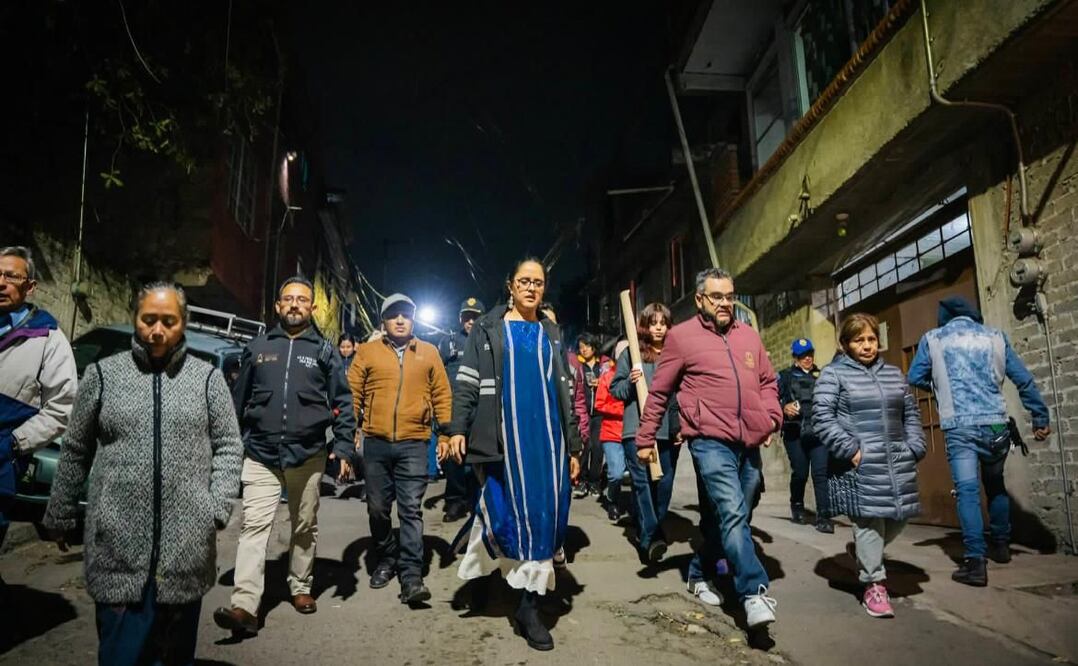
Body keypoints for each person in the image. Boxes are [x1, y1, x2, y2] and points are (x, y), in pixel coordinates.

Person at [44, 282, 242, 665]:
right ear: (135, 318)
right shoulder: (104, 376)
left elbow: (229, 446)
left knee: (172, 656)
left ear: (183, 323)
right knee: (121, 655)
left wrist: (215, 507)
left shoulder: (207, 380)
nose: (157, 330)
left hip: (186, 549)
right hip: (117, 542)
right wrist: (61, 512)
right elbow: (76, 448)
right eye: (148, 319)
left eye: (168, 321)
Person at [446, 257, 583, 651]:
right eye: (524, 281)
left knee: (544, 517)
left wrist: (573, 445)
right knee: (500, 509)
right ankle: (486, 579)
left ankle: (528, 606)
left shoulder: (552, 331)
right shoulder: (489, 329)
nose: (531, 288)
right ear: (510, 285)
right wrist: (457, 428)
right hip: (503, 438)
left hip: (547, 441)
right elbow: (468, 382)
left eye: (538, 283)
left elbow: (566, 394)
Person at [637, 268, 782, 629]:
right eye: (716, 296)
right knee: (732, 511)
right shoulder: (681, 338)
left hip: (748, 439)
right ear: (700, 299)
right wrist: (645, 438)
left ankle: (699, 571)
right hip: (708, 440)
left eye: (729, 296)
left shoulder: (748, 336)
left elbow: (768, 382)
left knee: (736, 515)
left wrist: (771, 417)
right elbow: (660, 393)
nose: (725, 303)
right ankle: (753, 592)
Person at [214, 276, 356, 635]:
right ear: (277, 306)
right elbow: (237, 401)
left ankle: (301, 586)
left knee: (304, 524)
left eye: (302, 300)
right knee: (254, 527)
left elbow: (342, 403)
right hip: (260, 453)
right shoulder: (258, 348)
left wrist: (342, 449)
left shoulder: (324, 352)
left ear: (312, 308)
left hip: (307, 454)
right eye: (288, 299)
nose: (295, 304)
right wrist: (230, 445)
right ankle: (245, 604)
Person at [907, 296, 1051, 586]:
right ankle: (1001, 545)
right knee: (996, 485)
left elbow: (915, 375)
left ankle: (975, 563)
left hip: (960, 427)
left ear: (944, 318)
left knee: (967, 492)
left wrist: (939, 387)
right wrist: (1040, 418)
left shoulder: (933, 339)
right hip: (996, 424)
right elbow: (1023, 379)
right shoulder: (995, 337)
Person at [814, 313, 925, 618]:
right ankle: (873, 585)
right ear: (846, 344)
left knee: (898, 518)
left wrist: (915, 447)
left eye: (871, 339)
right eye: (858, 340)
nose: (866, 346)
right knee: (869, 522)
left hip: (896, 461)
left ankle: (866, 552)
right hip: (859, 465)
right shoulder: (833, 375)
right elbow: (822, 418)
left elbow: (911, 413)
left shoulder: (893, 374)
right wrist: (851, 450)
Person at [348, 293, 452, 605]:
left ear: (413, 319)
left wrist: (445, 435)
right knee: (378, 508)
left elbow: (442, 395)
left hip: (414, 443)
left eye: (406, 314)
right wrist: (349, 433)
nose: (400, 320)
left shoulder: (429, 353)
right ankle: (387, 557)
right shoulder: (367, 352)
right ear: (384, 320)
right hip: (376, 443)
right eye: (394, 315)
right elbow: (352, 392)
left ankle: (411, 576)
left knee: (410, 509)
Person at [0, 246, 77, 553]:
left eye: (10, 276)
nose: (1, 282)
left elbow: (62, 407)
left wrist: (13, 444)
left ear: (29, 287)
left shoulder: (48, 339)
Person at [610, 303, 681, 563]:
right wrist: (630, 380)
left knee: (663, 487)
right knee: (642, 486)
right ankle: (650, 537)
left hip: (668, 431)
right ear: (645, 326)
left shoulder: (676, 355)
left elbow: (683, 393)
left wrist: (681, 425)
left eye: (663, 323)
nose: (659, 328)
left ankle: (648, 530)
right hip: (636, 431)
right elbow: (615, 391)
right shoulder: (632, 354)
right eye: (653, 323)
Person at [438, 297, 485, 522]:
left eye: (475, 317)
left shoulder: (489, 341)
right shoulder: (449, 342)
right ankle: (455, 501)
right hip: (455, 408)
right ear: (460, 318)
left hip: (481, 408)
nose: (470, 321)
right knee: (455, 458)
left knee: (479, 457)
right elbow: (438, 375)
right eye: (467, 316)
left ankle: (479, 500)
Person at [778, 337, 833, 532]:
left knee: (820, 473)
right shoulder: (784, 376)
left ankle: (824, 516)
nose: (807, 358)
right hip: (795, 433)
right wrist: (783, 408)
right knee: (800, 473)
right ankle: (797, 505)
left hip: (818, 432)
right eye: (802, 355)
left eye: (809, 354)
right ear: (795, 357)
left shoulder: (823, 375)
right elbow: (771, 400)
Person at [572, 332, 612, 499]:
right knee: (584, 446)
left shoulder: (604, 365)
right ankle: (582, 480)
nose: (584, 350)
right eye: (581, 347)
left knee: (597, 448)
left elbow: (613, 383)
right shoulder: (577, 366)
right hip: (583, 413)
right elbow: (577, 393)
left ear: (594, 346)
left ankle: (595, 482)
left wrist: (601, 383)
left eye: (587, 346)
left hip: (600, 413)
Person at [592, 338, 628, 523]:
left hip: (633, 433)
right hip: (611, 433)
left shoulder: (637, 376)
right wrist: (623, 410)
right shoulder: (607, 377)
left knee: (635, 474)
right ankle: (612, 500)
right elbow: (599, 404)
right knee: (616, 473)